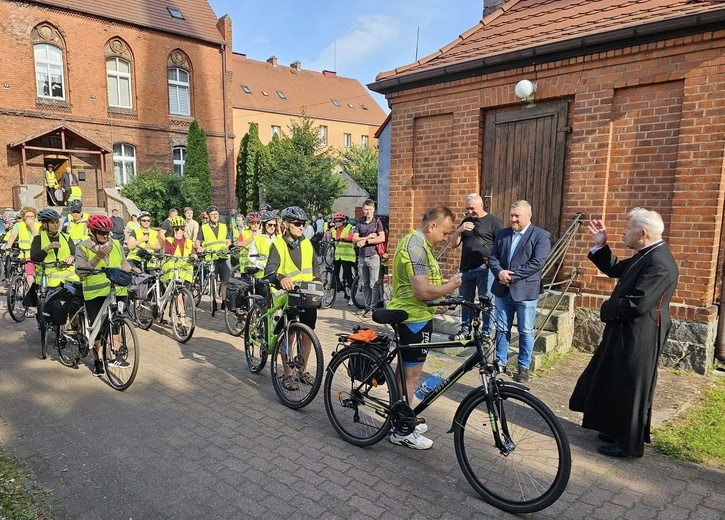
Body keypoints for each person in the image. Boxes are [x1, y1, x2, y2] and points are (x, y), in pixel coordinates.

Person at [569, 209, 679, 459]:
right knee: (613, 376)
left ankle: (628, 443)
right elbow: (617, 269)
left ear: (642, 233)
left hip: (641, 332)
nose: (623, 232)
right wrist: (600, 245)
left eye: (628, 228)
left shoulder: (659, 262)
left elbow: (638, 304)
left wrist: (605, 307)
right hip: (626, 328)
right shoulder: (646, 254)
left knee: (630, 384)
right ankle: (611, 428)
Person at [385, 206, 462, 449]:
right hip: (413, 318)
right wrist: (450, 286)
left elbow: (425, 290)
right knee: (411, 376)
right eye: (445, 232)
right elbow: (422, 290)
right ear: (431, 226)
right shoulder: (416, 247)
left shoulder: (419, 244)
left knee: (404, 374)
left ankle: (399, 418)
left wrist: (436, 301)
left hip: (417, 314)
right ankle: (402, 431)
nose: (446, 238)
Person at [488, 200, 551, 383]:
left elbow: (536, 263)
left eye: (517, 216)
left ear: (529, 216)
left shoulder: (540, 236)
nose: (513, 219)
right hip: (502, 290)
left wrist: (511, 276)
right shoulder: (502, 234)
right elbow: (492, 257)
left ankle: (523, 367)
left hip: (525, 292)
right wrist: (499, 272)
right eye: (511, 215)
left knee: (525, 331)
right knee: (501, 329)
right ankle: (500, 362)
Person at [264, 206, 318, 390]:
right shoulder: (278, 244)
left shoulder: (307, 243)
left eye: (303, 224)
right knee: (288, 336)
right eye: (297, 224)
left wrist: (319, 281)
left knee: (308, 334)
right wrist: (281, 278)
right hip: (287, 297)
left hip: (307, 296)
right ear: (286, 224)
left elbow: (315, 267)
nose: (301, 227)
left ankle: (302, 370)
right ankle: (287, 375)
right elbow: (269, 271)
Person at [75, 215, 136, 376]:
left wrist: (134, 270)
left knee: (116, 323)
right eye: (101, 233)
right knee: (99, 328)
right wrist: (98, 257)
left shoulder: (115, 243)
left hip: (117, 290)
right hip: (95, 293)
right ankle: (98, 360)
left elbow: (123, 263)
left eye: (107, 232)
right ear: (92, 232)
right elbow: (80, 271)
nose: (105, 236)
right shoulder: (83, 246)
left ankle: (115, 354)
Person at [450, 194, 503, 341]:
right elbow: (454, 244)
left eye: (472, 208)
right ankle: (465, 330)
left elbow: (501, 245)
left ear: (481, 205)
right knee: (465, 301)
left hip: (485, 269)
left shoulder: (493, 221)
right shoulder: (466, 221)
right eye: (467, 208)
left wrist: (488, 264)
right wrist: (459, 230)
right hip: (466, 268)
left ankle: (486, 332)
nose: (469, 212)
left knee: (485, 301)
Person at [30, 208, 79, 288]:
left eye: (57, 222)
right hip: (48, 282)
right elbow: (34, 258)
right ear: (44, 224)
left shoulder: (66, 237)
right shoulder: (39, 238)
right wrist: (48, 248)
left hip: (68, 280)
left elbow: (75, 252)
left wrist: (72, 256)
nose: (56, 225)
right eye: (52, 223)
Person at [353, 199, 386, 316]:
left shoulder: (377, 222)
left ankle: (373, 307)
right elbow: (354, 238)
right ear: (363, 210)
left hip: (373, 256)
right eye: (366, 209)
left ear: (373, 210)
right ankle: (366, 306)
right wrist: (368, 237)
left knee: (374, 283)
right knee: (365, 283)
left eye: (370, 209)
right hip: (362, 256)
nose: (368, 212)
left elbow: (381, 238)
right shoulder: (359, 222)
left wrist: (365, 241)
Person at [195, 205, 232, 309]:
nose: (215, 216)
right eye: (212, 215)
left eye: (216, 214)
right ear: (209, 216)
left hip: (223, 257)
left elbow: (228, 239)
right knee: (213, 280)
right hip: (211, 258)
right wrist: (199, 248)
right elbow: (197, 241)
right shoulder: (204, 228)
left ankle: (224, 301)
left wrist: (228, 246)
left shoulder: (223, 226)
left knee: (225, 281)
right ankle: (213, 300)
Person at [4, 206, 40, 312]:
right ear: (23, 217)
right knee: (29, 277)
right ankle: (32, 299)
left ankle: (39, 295)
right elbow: (12, 237)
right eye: (27, 216)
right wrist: (8, 245)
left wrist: (32, 226)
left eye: (32, 216)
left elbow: (37, 239)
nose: (29, 218)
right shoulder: (18, 226)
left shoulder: (38, 226)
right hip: (25, 255)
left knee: (39, 277)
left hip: (37, 255)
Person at [328, 212, 356, 299]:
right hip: (337, 255)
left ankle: (352, 297)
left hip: (347, 256)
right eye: (335, 221)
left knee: (348, 275)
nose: (337, 223)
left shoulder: (348, 228)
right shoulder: (333, 230)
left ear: (344, 221)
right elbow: (331, 239)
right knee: (334, 275)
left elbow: (352, 238)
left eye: (339, 221)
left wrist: (343, 239)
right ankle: (332, 296)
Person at [248, 211, 277, 275]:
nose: (272, 227)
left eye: (275, 225)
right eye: (270, 225)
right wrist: (262, 265)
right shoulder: (257, 239)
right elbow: (251, 257)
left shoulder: (279, 239)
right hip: (261, 274)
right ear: (264, 225)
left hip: (276, 274)